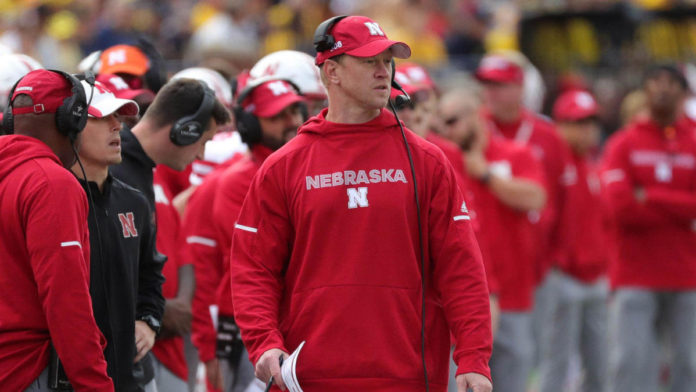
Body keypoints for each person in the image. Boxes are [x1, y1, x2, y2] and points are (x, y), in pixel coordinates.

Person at [230, 15, 492, 392]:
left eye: (387, 62)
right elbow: (254, 268)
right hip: (309, 378)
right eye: (369, 62)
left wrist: (474, 357)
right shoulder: (283, 167)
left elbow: (461, 267)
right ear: (332, 72)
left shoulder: (428, 162)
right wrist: (264, 343)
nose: (382, 72)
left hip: (407, 376)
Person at [109, 77, 231, 390]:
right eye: (203, 141)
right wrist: (154, 317)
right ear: (183, 130)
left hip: (141, 351)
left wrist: (152, 315)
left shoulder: (142, 171)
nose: (202, 155)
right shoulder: (114, 171)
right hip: (121, 356)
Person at [187, 77, 307, 392]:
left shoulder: (305, 171)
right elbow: (268, 262)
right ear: (251, 124)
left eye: (295, 111)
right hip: (249, 333)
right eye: (277, 115)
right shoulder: (239, 182)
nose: (292, 121)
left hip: (299, 324)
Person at [0, 69, 113, 391]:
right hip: (24, 368)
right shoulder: (51, 183)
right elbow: (66, 299)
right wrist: (94, 384)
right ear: (72, 120)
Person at [439, 86, 546, 392]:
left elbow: (536, 197)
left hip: (512, 297)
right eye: (442, 122)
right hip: (463, 306)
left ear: (476, 117)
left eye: (452, 121)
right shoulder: (442, 160)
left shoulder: (513, 153)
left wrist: (486, 175)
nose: (446, 129)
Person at [602, 64, 696, 392]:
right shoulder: (623, 143)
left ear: (684, 93)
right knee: (629, 362)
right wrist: (681, 207)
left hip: (686, 274)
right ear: (645, 90)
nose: (662, 89)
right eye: (655, 82)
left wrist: (651, 196)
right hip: (634, 274)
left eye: (671, 83)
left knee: (688, 363)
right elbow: (620, 209)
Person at [70, 78, 164, 392]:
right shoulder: (52, 202)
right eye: (103, 118)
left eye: (119, 117)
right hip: (68, 378)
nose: (117, 127)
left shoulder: (134, 201)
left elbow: (150, 274)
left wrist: (148, 322)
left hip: (127, 376)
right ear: (71, 124)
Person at [538, 90, 609, 392]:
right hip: (563, 276)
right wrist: (553, 265)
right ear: (560, 125)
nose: (587, 129)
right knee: (556, 365)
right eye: (578, 122)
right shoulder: (552, 163)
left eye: (591, 121)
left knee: (600, 365)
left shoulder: (592, 163)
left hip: (596, 277)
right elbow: (543, 221)